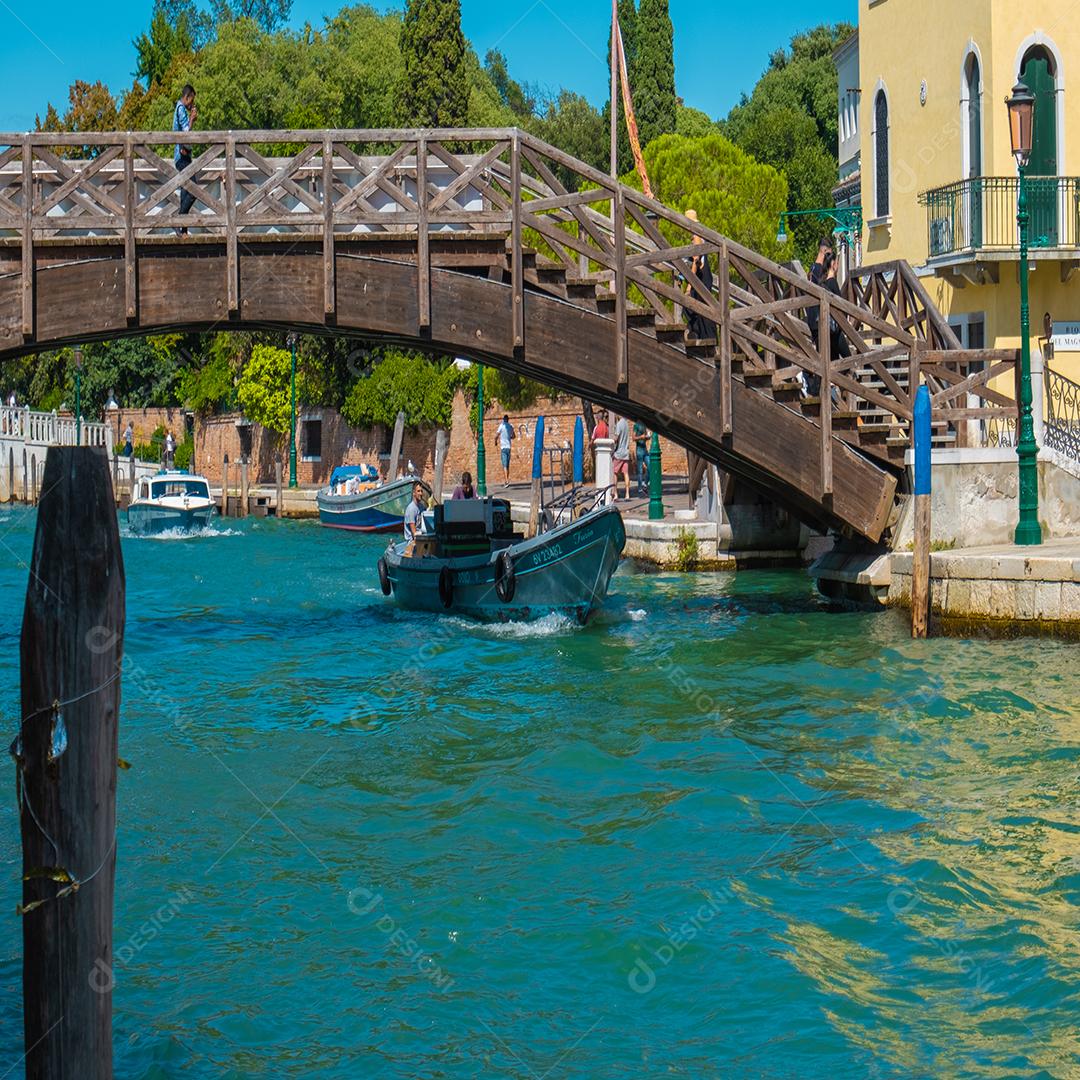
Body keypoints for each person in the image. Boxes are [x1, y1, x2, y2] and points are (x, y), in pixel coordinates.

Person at [682, 210, 715, 341]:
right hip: (704, 274)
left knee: (693, 306)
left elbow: (697, 259)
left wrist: (689, 285)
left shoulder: (696, 236)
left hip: (701, 276)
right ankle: (703, 335)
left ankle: (703, 335)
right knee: (702, 306)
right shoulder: (700, 234)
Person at [173, 84, 197, 235]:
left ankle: (183, 229)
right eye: (191, 100)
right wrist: (192, 119)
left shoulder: (179, 108)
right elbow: (186, 133)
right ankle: (179, 221)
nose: (191, 105)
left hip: (181, 155)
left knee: (185, 192)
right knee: (194, 190)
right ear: (186, 97)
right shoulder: (181, 109)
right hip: (182, 156)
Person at [612, 414, 631, 500]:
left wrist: (612, 439)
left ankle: (615, 494)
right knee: (626, 473)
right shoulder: (626, 424)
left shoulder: (619, 424)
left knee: (614, 473)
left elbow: (616, 438)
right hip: (626, 453)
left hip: (619, 453)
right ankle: (627, 494)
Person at [495, 414, 514, 484]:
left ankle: (506, 481)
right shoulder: (510, 426)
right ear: (508, 419)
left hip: (503, 448)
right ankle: (507, 480)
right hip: (509, 447)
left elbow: (496, 435)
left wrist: (495, 442)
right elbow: (513, 436)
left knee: (504, 465)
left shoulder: (501, 426)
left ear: (503, 419)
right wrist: (509, 437)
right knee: (507, 465)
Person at [633, 420, 649, 497]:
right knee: (640, 470)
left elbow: (645, 436)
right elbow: (633, 438)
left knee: (650, 466)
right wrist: (641, 437)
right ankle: (640, 488)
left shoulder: (644, 425)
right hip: (639, 449)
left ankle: (645, 483)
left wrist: (646, 437)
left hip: (645, 449)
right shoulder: (636, 425)